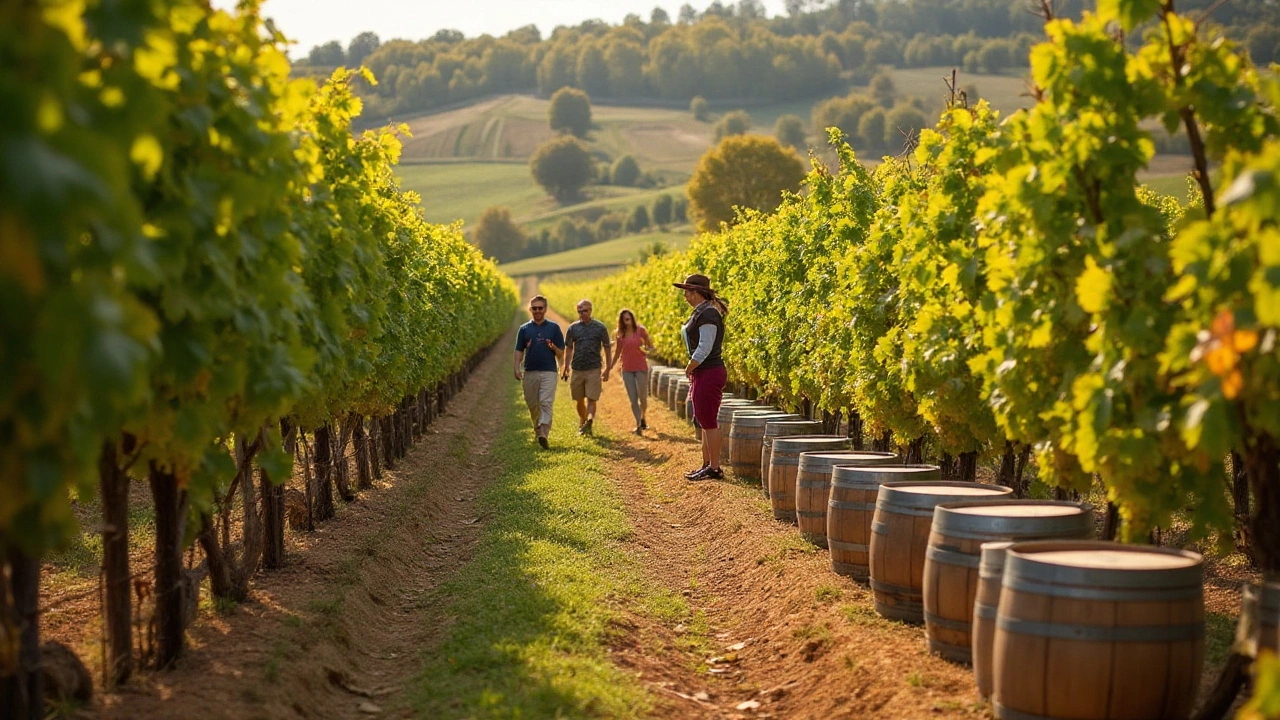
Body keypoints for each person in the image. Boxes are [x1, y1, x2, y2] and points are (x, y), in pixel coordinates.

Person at [673, 274, 728, 480]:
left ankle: (714, 467)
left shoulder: (708, 314)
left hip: (709, 372)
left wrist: (690, 366)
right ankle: (707, 464)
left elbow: (705, 346)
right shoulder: (702, 312)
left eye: (687, 292)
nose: (685, 296)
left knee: (709, 422)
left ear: (696, 293)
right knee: (704, 421)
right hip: (703, 372)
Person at [514, 295, 564, 449]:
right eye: (534, 308)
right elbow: (519, 350)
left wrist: (553, 348)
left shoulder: (554, 328)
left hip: (549, 371)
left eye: (540, 308)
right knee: (532, 404)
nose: (537, 311)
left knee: (545, 402)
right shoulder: (524, 329)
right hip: (529, 371)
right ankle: (538, 429)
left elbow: (561, 352)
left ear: (545, 309)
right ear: (530, 309)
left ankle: (544, 431)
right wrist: (516, 367)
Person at [562, 299, 613, 435]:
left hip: (594, 369)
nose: (581, 313)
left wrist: (608, 368)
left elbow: (607, 348)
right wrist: (565, 366)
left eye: (584, 311)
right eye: (579, 311)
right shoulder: (573, 328)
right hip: (577, 368)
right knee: (579, 399)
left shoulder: (600, 328)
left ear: (590, 311)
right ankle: (584, 420)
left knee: (592, 398)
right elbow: (568, 348)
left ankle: (589, 421)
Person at [606, 308, 655, 435]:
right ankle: (638, 424)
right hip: (627, 369)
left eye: (628, 318)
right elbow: (617, 353)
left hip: (641, 368)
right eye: (624, 319)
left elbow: (650, 346)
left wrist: (647, 348)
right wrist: (608, 368)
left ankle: (643, 417)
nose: (626, 321)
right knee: (633, 399)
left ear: (632, 319)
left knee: (643, 397)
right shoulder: (620, 334)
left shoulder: (641, 330)